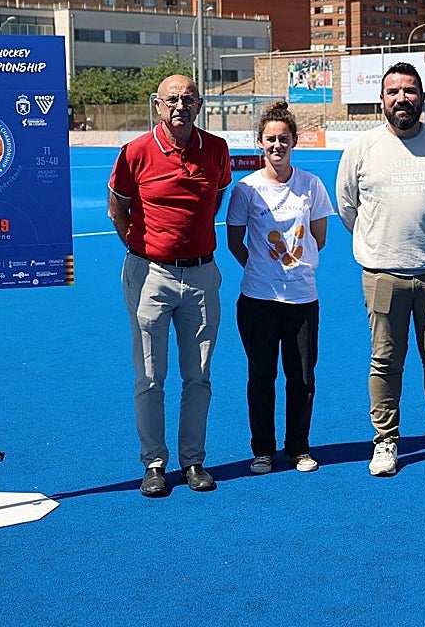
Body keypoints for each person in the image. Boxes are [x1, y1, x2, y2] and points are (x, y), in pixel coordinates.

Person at [337, 62, 425, 476]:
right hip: (382, 274)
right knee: (384, 361)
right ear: (381, 99)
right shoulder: (362, 149)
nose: (402, 99)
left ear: (422, 98)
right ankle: (386, 442)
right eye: (393, 91)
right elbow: (348, 208)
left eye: (409, 91)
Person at [107, 75, 230, 497]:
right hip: (149, 276)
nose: (180, 105)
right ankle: (154, 463)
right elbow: (117, 209)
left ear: (199, 104)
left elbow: (214, 198)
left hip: (201, 275)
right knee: (150, 376)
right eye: (172, 99)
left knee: (198, 376)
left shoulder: (216, 150)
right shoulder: (136, 152)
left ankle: (193, 460)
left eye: (188, 99)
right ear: (157, 104)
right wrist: (144, 250)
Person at [226, 101, 334, 475]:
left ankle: (299, 447)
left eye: (283, 139)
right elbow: (235, 242)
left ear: (294, 141)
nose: (277, 145)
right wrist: (263, 269)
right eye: (270, 139)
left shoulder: (312, 185)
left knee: (302, 377)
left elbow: (319, 237)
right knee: (261, 376)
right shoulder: (246, 189)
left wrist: (291, 268)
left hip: (302, 298)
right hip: (258, 299)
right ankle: (263, 449)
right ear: (259, 143)